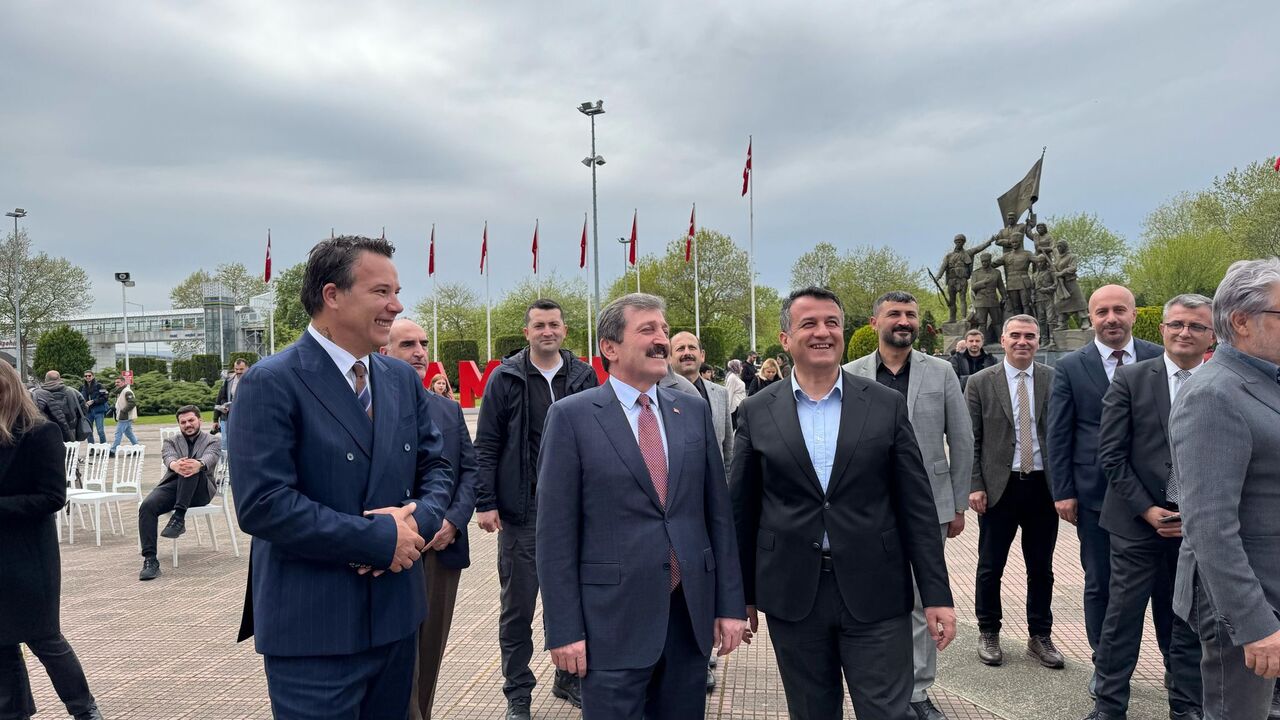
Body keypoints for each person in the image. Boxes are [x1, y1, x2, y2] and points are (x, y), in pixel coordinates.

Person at [230, 235, 455, 719]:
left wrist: (417, 522)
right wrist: (378, 539)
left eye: (396, 292)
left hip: (396, 619)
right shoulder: (272, 381)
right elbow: (263, 503)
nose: (396, 306)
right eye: (381, 292)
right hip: (315, 628)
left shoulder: (398, 379)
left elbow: (437, 467)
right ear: (332, 295)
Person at [732, 286, 955, 720]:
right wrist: (740, 595)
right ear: (785, 338)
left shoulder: (885, 405)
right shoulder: (757, 411)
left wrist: (936, 595)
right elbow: (742, 509)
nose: (823, 332)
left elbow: (917, 507)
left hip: (877, 590)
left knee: (887, 712)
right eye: (809, 324)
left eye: (832, 323)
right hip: (793, 594)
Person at [537, 293, 747, 719]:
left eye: (664, 330)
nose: (662, 340)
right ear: (609, 347)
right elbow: (555, 535)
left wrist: (729, 605)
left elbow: (718, 516)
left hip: (688, 619)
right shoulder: (571, 417)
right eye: (648, 329)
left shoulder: (692, 410)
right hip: (610, 625)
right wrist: (564, 629)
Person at [843, 291, 973, 720]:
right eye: (894, 314)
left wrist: (957, 503)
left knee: (922, 600)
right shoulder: (850, 374)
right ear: (874, 321)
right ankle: (878, 685)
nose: (904, 321)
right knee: (869, 600)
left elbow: (962, 438)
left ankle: (917, 691)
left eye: (911, 315)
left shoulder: (942, 372)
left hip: (928, 506)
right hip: (865, 509)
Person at [1084, 294, 1213, 720]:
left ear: (1212, 335)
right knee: (1122, 619)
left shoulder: (1223, 384)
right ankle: (1109, 706)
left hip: (1197, 527)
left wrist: (1193, 514)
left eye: (1196, 326)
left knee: (1187, 622)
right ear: (1162, 329)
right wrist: (1147, 510)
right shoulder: (1131, 379)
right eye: (1177, 324)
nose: (1184, 332)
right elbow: (1111, 455)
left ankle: (1186, 707)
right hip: (1135, 524)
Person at [473, 299, 598, 720]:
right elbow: (486, 445)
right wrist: (486, 501)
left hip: (576, 510)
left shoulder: (583, 376)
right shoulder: (505, 377)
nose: (547, 331)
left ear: (565, 331)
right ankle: (518, 693)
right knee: (518, 609)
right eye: (539, 325)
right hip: (522, 512)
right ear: (526, 332)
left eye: (554, 325)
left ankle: (568, 677)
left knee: (574, 600)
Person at [1171, 259, 1280, 719]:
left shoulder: (1264, 382)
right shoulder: (1214, 394)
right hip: (1246, 605)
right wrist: (1254, 625)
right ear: (1241, 321)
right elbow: (1209, 526)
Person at [1047, 284, 1162, 697]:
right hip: (1095, 494)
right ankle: (1105, 662)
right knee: (1101, 581)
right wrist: (1063, 490)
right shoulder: (1070, 366)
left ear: (1133, 314)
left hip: (1157, 494)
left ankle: (1174, 663)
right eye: (1102, 312)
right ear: (1091, 318)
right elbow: (1058, 432)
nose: (1111, 318)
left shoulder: (1158, 357)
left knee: (1166, 585)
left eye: (1119, 310)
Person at [379, 318, 480, 720]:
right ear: (384, 352)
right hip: (389, 551)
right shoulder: (368, 407)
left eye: (423, 343)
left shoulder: (447, 409)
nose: (420, 352)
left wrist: (453, 521)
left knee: (430, 650)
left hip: (440, 549)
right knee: (396, 660)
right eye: (408, 344)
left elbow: (469, 471)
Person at [0, 360, 104, 720]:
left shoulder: (41, 432)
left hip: (30, 555)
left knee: (44, 638)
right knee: (1, 642)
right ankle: (13, 712)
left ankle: (84, 709)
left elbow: (53, 497)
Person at [966, 315, 1063, 671]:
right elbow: (970, 439)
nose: (1023, 342)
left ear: (1038, 341)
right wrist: (975, 484)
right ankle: (989, 631)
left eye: (1030, 336)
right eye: (1016, 335)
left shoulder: (1054, 379)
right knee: (990, 566)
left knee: (1042, 568)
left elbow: (1063, 433)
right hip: (999, 487)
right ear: (1003, 340)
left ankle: (1040, 635)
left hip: (1042, 486)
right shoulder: (980, 382)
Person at [669, 330, 736, 692]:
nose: (686, 353)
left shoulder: (719, 394)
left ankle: (706, 653)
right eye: (679, 348)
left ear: (702, 354)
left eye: (692, 347)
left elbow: (727, 449)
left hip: (713, 502)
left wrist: (725, 497)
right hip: (681, 505)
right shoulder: (662, 390)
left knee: (709, 576)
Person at [137, 405, 222, 581]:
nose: (187, 424)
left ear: (200, 420)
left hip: (201, 491)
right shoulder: (171, 441)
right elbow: (168, 456)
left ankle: (179, 517)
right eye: (183, 422)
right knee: (147, 506)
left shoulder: (212, 440)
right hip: (174, 486)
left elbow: (211, 457)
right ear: (179, 424)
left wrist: (199, 464)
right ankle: (150, 560)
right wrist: (175, 465)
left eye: (191, 420)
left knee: (191, 467)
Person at [32, 370, 86, 442]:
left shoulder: (37, 394)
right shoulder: (73, 392)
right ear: (59, 379)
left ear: (45, 380)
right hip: (70, 431)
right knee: (70, 448)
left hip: (47, 431)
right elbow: (84, 408)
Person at [212, 358, 248, 454]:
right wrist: (215, 419)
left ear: (247, 368)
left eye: (241, 369)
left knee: (242, 441)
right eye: (236, 369)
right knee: (225, 442)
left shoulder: (252, 380)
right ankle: (225, 462)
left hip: (244, 418)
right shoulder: (228, 380)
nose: (238, 372)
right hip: (227, 417)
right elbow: (220, 398)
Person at [108, 376, 138, 456]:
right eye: (115, 382)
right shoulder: (121, 391)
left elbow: (132, 403)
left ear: (123, 382)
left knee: (118, 433)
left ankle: (113, 451)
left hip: (125, 417)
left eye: (118, 382)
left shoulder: (127, 391)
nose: (116, 384)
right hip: (124, 416)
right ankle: (137, 449)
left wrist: (123, 411)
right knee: (129, 434)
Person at [80, 370, 109, 443]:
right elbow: (80, 399)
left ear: (93, 376)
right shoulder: (82, 387)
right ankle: (91, 447)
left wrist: (94, 401)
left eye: (89, 375)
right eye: (86, 376)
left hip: (98, 411)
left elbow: (105, 397)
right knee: (89, 431)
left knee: (100, 431)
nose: (87, 377)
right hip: (88, 412)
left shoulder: (100, 386)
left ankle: (103, 447)